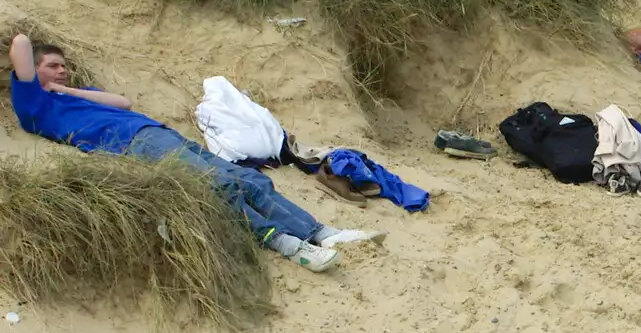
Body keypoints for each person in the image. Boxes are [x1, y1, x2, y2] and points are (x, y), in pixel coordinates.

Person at [7, 33, 384, 273]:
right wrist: (44, 84)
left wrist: (68, 89)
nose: (64, 71)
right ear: (32, 72)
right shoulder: (33, 103)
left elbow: (122, 100)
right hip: (133, 146)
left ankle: (322, 233)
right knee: (218, 185)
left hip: (157, 134)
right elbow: (22, 41)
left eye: (66, 66)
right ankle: (287, 243)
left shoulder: (73, 94)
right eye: (53, 66)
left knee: (249, 179)